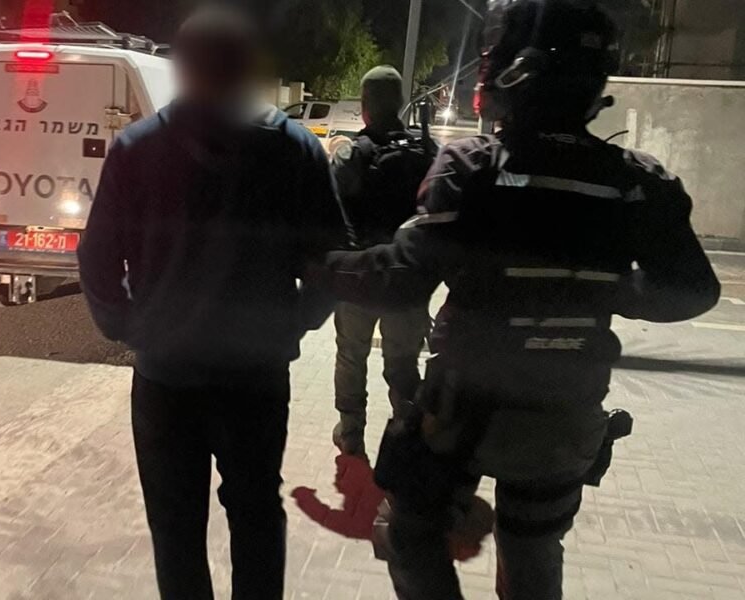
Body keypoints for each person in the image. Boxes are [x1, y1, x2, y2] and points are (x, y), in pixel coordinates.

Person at [312, 1, 721, 598]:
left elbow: (398, 278)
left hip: (464, 414)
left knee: (408, 534)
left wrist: (311, 264)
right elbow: (695, 290)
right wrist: (600, 288)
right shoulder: (638, 182)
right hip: (566, 413)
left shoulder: (472, 169)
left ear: (512, 74)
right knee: (534, 553)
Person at [78, 6, 349, 599]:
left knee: (175, 527)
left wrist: (128, 326)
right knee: (256, 514)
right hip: (256, 378)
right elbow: (333, 260)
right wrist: (294, 323)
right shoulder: (294, 148)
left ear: (183, 67)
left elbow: (96, 257)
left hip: (166, 379)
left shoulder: (137, 148)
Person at [330, 66, 434, 458]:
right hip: (407, 280)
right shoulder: (428, 151)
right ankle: (406, 431)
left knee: (351, 355)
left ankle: (351, 431)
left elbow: (329, 214)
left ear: (365, 106)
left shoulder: (351, 154)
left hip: (359, 277)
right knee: (403, 363)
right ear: (401, 103)